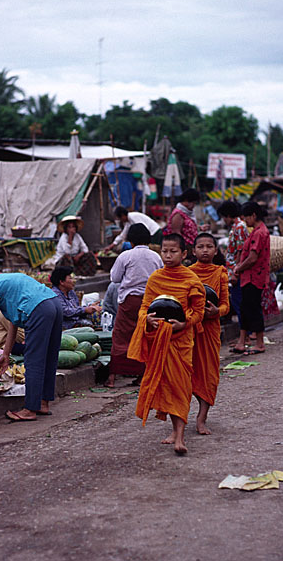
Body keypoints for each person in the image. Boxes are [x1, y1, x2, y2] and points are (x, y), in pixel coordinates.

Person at [128, 233, 205, 454]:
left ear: (184, 253)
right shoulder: (155, 278)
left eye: (173, 251)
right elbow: (144, 307)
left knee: (180, 386)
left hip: (181, 341)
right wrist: (147, 320)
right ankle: (174, 430)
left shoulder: (191, 279)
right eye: (164, 251)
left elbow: (198, 313)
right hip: (160, 340)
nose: (168, 256)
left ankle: (180, 437)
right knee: (167, 387)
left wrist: (183, 324)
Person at [0, 263, 62, 421]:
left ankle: (30, 409)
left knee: (33, 361)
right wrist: (5, 353)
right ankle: (43, 403)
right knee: (49, 357)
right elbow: (14, 321)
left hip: (39, 310)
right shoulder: (8, 279)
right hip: (54, 304)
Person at [105, 223, 163, 388]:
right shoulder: (156, 257)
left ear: (130, 241)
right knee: (143, 337)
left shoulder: (125, 256)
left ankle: (112, 377)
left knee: (121, 336)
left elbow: (115, 278)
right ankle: (140, 374)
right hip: (150, 302)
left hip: (129, 301)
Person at [190, 233, 230, 435]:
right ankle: (179, 420)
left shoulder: (221, 273)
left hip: (210, 331)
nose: (205, 250)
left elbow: (225, 305)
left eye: (209, 247)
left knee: (209, 376)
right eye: (200, 247)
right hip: (189, 331)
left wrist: (217, 312)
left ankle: (201, 418)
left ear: (216, 250)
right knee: (185, 375)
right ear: (193, 251)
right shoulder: (186, 273)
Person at [233, 202, 270, 355]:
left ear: (253, 215)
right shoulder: (257, 231)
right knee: (245, 308)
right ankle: (242, 341)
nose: (245, 221)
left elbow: (252, 258)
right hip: (249, 277)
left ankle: (260, 343)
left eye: (246, 217)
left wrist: (238, 268)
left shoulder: (259, 233)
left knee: (253, 309)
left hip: (254, 277)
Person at [217, 200, 249, 326]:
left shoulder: (240, 227)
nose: (224, 220)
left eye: (224, 217)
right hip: (233, 270)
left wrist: (236, 272)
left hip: (237, 272)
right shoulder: (235, 227)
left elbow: (241, 251)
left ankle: (245, 334)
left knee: (239, 302)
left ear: (228, 215)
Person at [163, 188, 201, 258]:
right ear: (187, 201)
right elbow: (176, 233)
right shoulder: (178, 214)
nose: (194, 206)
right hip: (186, 248)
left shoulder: (187, 213)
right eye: (193, 203)